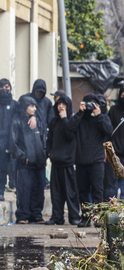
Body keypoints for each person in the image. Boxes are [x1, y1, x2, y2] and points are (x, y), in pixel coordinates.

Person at [69, 93, 113, 227]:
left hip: (97, 161)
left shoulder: (102, 118)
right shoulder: (80, 118)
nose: (90, 107)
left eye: (92, 104)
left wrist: (99, 114)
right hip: (81, 160)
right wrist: (80, 112)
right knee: (82, 191)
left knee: (97, 191)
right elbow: (69, 128)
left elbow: (109, 130)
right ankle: (85, 217)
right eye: (88, 104)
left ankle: (98, 217)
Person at [10, 96, 47, 224]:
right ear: (25, 106)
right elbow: (13, 142)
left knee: (38, 189)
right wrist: (23, 157)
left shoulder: (39, 122)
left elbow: (44, 140)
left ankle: (36, 214)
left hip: (39, 162)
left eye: (35, 106)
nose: (34, 108)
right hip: (25, 163)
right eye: (31, 106)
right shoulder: (17, 121)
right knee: (24, 190)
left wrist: (43, 156)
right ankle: (22, 215)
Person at [45, 95, 80, 226]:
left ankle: (74, 216)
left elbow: (70, 135)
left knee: (71, 192)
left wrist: (65, 119)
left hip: (69, 162)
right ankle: (57, 217)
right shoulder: (54, 121)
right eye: (59, 104)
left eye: (63, 104)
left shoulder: (72, 120)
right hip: (56, 161)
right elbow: (50, 139)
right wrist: (49, 151)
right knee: (56, 193)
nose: (61, 106)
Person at [0, 79, 18, 201]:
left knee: (3, 168)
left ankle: (1, 190)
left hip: (8, 142)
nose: (6, 89)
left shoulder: (14, 105)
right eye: (3, 87)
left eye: (8, 87)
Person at [25, 79, 54, 148]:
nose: (39, 94)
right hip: (28, 132)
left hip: (42, 134)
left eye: (41, 92)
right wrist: (32, 116)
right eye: (37, 91)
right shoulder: (26, 98)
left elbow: (51, 120)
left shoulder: (47, 102)